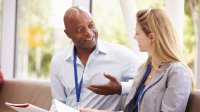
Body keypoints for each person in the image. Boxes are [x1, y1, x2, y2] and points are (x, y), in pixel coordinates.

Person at [80, 8, 193, 112]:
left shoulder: (177, 72)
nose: (134, 37)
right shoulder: (145, 68)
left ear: (152, 37)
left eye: (137, 33)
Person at [49, 6, 141, 112]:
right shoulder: (58, 61)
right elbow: (58, 102)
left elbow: (147, 82)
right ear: (68, 34)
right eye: (79, 29)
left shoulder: (120, 54)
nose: (88, 32)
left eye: (91, 25)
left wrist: (121, 88)